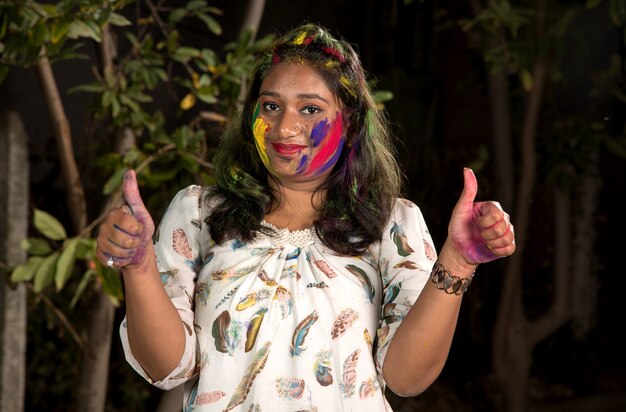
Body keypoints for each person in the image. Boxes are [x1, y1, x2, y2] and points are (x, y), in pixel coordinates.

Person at [96, 23, 515, 411]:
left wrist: (457, 262)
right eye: (271, 106)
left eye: (310, 109)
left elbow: (406, 378)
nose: (284, 128)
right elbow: (168, 368)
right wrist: (139, 267)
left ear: (349, 123)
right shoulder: (199, 215)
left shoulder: (392, 224)